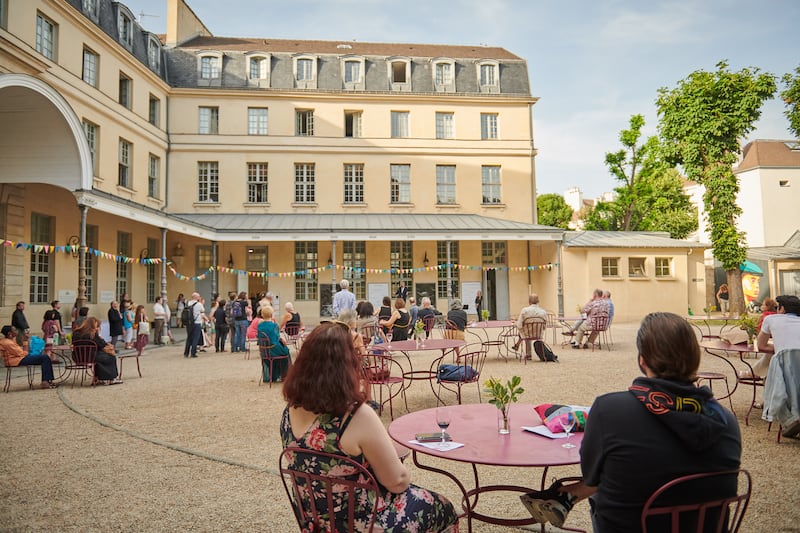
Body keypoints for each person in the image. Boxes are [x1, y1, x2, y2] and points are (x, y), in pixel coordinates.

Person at [521, 312, 741, 530]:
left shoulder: (610, 410)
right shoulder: (727, 422)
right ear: (696, 359)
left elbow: (591, 475)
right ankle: (567, 496)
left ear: (642, 360)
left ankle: (567, 496)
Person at [280, 321, 458, 532]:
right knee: (443, 507)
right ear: (347, 365)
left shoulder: (288, 412)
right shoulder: (355, 416)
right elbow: (397, 482)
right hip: (366, 521)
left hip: (315, 522)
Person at [72, 317, 122, 385]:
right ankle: (110, 378)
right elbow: (103, 345)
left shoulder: (76, 333)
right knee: (110, 357)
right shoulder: (92, 334)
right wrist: (99, 335)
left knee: (99, 357)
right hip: (91, 356)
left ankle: (98, 377)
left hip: (78, 357)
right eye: (97, 326)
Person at [257, 305, 290, 382]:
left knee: (281, 351)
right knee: (286, 351)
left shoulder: (260, 326)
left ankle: (274, 374)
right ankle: (284, 375)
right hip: (273, 348)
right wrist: (282, 340)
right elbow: (275, 339)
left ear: (262, 315)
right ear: (272, 315)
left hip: (264, 350)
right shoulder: (274, 325)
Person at [183, 292, 204, 358]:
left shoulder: (188, 303)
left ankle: (186, 352)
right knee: (195, 338)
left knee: (189, 337)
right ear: (196, 297)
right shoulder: (199, 304)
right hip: (197, 322)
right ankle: (193, 352)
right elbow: (203, 310)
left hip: (189, 323)